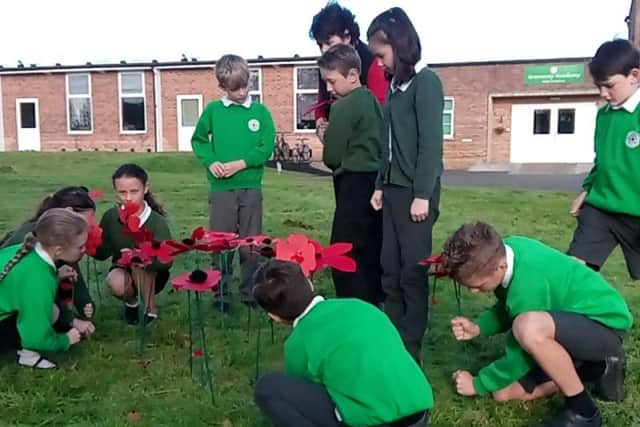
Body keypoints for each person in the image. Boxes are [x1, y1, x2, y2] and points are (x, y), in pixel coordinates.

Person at [442, 222, 631, 427]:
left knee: (528, 328)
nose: (474, 292)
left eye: (478, 286)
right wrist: (479, 327)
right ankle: (594, 368)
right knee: (502, 393)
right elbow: (510, 305)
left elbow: (519, 354)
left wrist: (477, 384)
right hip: (566, 326)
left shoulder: (528, 282)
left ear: (501, 266)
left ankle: (584, 412)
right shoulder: (503, 251)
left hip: (604, 325)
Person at [252, 260, 432, 427]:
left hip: (376, 421)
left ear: (273, 316)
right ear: (309, 282)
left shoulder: (297, 344)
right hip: (418, 412)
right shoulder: (359, 305)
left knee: (267, 388)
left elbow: (307, 392)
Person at [367, 7, 444, 361]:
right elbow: (388, 141)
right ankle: (393, 336)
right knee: (390, 266)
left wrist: (422, 195)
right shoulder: (396, 87)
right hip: (394, 190)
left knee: (412, 271)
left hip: (417, 194)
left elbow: (430, 144)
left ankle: (410, 347)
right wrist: (381, 184)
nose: (379, 63)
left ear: (399, 45)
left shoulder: (426, 83)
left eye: (381, 54)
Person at [191, 54, 275, 312]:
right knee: (221, 243)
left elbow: (266, 146)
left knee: (251, 243)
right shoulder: (213, 111)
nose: (240, 93)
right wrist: (211, 161)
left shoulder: (260, 112)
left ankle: (251, 292)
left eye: (244, 86)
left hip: (250, 188)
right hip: (221, 190)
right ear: (222, 87)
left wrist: (242, 163)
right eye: (233, 88)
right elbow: (199, 140)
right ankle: (221, 295)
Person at [568, 39, 640, 281]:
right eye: (599, 86)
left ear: (634, 76)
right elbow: (603, 160)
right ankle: (567, 318)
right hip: (602, 210)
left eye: (609, 86)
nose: (603, 93)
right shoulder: (604, 116)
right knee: (573, 272)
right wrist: (588, 189)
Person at [318, 43, 383, 305]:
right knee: (371, 247)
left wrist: (326, 137)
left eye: (332, 82)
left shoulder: (343, 107)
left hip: (352, 183)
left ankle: (351, 303)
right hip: (376, 182)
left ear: (353, 75)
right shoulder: (373, 102)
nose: (330, 89)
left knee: (343, 249)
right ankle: (374, 301)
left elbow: (332, 156)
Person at [0, 208, 95, 369]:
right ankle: (28, 356)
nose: (84, 250)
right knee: (52, 311)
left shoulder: (25, 251)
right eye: (80, 247)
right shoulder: (40, 277)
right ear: (58, 249)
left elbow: (19, 284)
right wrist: (65, 340)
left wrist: (56, 277)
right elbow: (35, 334)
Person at [0, 186, 96, 321]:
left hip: (16, 296)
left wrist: (86, 304)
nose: (92, 224)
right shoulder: (36, 240)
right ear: (69, 212)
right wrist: (70, 321)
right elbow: (33, 291)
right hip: (9, 302)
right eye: (90, 219)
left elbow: (72, 272)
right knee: (52, 312)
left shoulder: (61, 236)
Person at [94, 164, 172, 324]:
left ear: (146, 189)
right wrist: (86, 239)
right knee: (115, 281)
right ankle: (131, 303)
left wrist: (140, 256)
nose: (128, 198)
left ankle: (150, 311)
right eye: (122, 192)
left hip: (154, 274)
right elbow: (101, 253)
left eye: (134, 191)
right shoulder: (111, 217)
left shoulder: (156, 221)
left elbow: (166, 260)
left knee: (138, 261)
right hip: (123, 271)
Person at [309, 2, 389, 137]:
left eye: (329, 43)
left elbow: (380, 113)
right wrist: (319, 124)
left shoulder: (373, 62)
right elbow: (321, 104)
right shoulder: (325, 64)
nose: (324, 50)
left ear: (347, 36)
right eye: (320, 44)